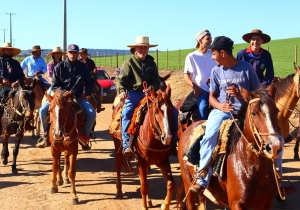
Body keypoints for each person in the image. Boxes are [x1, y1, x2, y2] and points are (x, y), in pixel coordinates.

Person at [190, 36, 296, 196]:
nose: (212, 57)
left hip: (247, 112)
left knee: (277, 140)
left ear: (223, 53)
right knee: (210, 134)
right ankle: (203, 178)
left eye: (213, 53)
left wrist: (244, 94)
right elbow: (211, 97)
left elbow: (261, 95)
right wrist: (220, 106)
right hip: (222, 112)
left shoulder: (246, 68)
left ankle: (277, 182)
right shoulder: (216, 71)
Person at [116, 36, 178, 159]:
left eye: (146, 48)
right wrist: (122, 91)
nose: (143, 50)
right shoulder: (129, 63)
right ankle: (127, 144)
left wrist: (151, 88)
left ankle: (173, 142)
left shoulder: (152, 64)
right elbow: (121, 80)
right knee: (127, 112)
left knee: (173, 112)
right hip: (134, 93)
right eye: (141, 47)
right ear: (135, 49)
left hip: (151, 94)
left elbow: (156, 81)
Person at [36, 44, 96, 151]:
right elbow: (54, 85)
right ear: (67, 53)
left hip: (77, 97)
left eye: (75, 53)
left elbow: (90, 82)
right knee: (42, 111)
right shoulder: (59, 67)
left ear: (78, 54)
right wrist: (64, 93)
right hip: (60, 97)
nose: (73, 55)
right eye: (71, 52)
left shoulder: (83, 67)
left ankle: (84, 136)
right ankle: (45, 135)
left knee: (91, 114)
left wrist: (86, 92)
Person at [0, 42, 35, 130]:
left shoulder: (15, 63)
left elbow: (21, 75)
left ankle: (27, 123)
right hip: (3, 86)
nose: (9, 51)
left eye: (10, 50)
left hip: (16, 87)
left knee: (27, 97)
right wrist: (2, 79)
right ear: (3, 50)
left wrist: (18, 81)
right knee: (1, 101)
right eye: (7, 49)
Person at [183, 29, 216, 120]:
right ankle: (201, 130)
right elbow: (186, 76)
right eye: (208, 39)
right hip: (202, 90)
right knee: (203, 108)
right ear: (200, 40)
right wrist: (196, 87)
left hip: (216, 89)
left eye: (211, 39)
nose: (211, 41)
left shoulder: (214, 54)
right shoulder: (191, 56)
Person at [36, 46, 65, 148]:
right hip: (54, 88)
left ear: (61, 55)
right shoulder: (50, 65)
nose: (57, 55)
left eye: (59, 53)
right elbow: (50, 77)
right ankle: (45, 134)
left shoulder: (64, 64)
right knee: (42, 110)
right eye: (56, 53)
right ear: (53, 55)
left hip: (64, 88)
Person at [79, 48, 105, 112]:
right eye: (80, 53)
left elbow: (94, 70)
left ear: (85, 54)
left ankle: (99, 104)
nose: (80, 55)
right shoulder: (78, 62)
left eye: (82, 53)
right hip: (81, 80)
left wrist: (94, 71)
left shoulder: (91, 62)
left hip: (91, 79)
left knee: (100, 88)